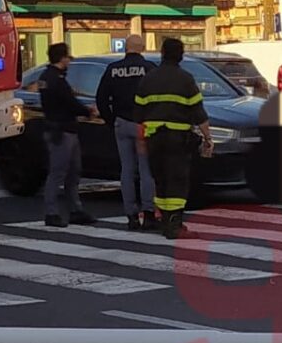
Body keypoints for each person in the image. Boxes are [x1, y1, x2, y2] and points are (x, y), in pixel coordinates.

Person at [135, 38, 214, 239]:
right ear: (180, 55)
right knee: (177, 181)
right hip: (177, 139)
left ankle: (165, 222)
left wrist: (141, 141)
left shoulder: (148, 78)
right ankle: (174, 225)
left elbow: (139, 114)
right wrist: (208, 138)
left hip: (153, 138)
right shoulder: (185, 78)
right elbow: (198, 112)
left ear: (162, 53)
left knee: (160, 179)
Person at [97, 36, 157, 229]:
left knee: (127, 170)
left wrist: (111, 120)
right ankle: (148, 214)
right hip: (143, 124)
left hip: (121, 123)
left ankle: (131, 216)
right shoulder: (149, 68)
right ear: (142, 48)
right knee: (146, 169)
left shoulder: (113, 69)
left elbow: (101, 98)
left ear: (126, 48)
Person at [36, 43, 94, 229]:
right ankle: (52, 212)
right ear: (62, 58)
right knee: (59, 172)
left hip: (62, 129)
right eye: (67, 57)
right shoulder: (57, 80)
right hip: (62, 130)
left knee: (72, 172)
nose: (69, 60)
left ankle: (75, 209)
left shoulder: (46, 77)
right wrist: (87, 111)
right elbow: (68, 102)